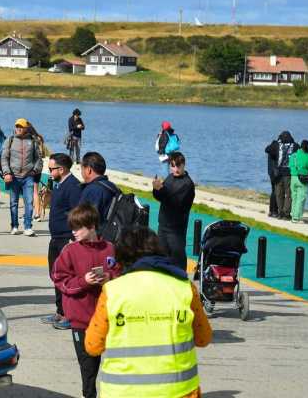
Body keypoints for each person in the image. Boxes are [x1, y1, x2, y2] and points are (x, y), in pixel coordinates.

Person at [85, 226, 212, 398]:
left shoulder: (113, 291)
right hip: (178, 391)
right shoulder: (184, 288)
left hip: (122, 392)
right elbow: (203, 338)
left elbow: (93, 346)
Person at [53, 201, 121, 398]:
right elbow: (59, 278)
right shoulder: (70, 251)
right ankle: (88, 395)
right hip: (80, 319)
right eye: (72, 228)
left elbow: (123, 274)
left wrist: (110, 277)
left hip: (107, 318)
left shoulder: (110, 249)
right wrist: (83, 281)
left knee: (111, 364)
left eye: (77, 228)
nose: (73, 232)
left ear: (92, 226)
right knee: (87, 365)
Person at [42, 153, 82, 329]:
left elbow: (77, 213)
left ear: (61, 169)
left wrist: (73, 239)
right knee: (55, 274)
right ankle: (60, 309)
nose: (49, 172)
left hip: (66, 238)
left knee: (67, 277)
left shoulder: (73, 186)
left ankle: (70, 313)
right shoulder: (58, 184)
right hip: (55, 237)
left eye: (51, 169)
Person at [152, 152, 196, 271]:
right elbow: (162, 198)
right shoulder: (170, 177)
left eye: (178, 166)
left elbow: (176, 204)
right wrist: (156, 189)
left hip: (176, 229)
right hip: (163, 226)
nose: (176, 169)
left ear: (184, 164)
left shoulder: (187, 184)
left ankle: (181, 282)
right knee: (160, 256)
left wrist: (162, 189)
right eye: (173, 166)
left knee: (178, 259)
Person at [0, 118, 42, 236]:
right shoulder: (10, 140)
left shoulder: (32, 141)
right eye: (17, 126)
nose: (18, 128)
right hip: (13, 177)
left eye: (21, 126)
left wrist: (35, 169)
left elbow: (38, 158)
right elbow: (4, 158)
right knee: (14, 203)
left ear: (26, 128)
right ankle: (14, 226)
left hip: (28, 177)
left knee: (29, 202)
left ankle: (28, 227)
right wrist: (7, 173)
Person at [265, 131, 299, 220]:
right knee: (288, 194)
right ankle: (287, 214)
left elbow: (267, 149)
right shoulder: (294, 146)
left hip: (278, 173)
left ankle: (280, 212)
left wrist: (278, 143)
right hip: (289, 173)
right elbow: (300, 151)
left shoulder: (277, 146)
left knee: (279, 194)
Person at [79, 152, 117, 226]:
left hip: (98, 235)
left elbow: (83, 219)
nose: (81, 172)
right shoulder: (112, 186)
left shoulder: (92, 190)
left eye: (82, 168)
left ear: (88, 170)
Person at [289, 140, 308, 224]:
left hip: (293, 178)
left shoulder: (294, 155)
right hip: (303, 179)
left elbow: (290, 165)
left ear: (300, 146)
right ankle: (297, 218)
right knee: (301, 198)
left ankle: (293, 215)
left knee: (294, 198)